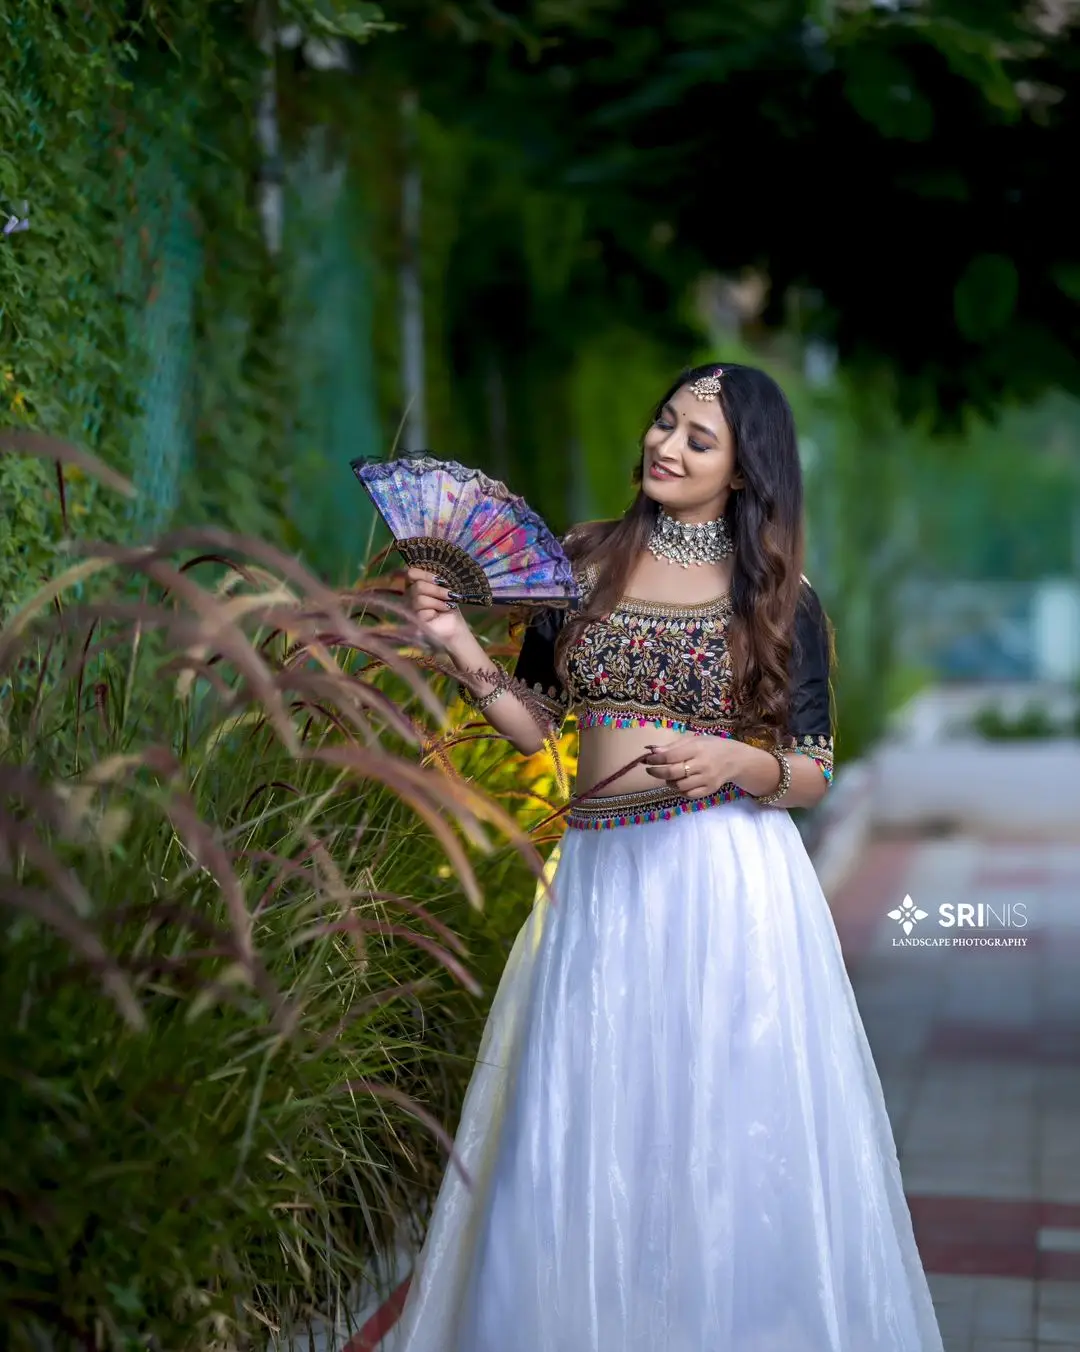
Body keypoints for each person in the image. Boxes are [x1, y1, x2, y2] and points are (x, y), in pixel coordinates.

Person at [392, 363, 944, 1352]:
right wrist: (452, 645)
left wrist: (736, 756)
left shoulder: (781, 597)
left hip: (725, 885)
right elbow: (532, 727)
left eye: (699, 438)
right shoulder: (583, 564)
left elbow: (811, 770)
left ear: (742, 472)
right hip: (600, 881)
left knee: (723, 1134)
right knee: (586, 1125)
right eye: (663, 422)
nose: (666, 445)